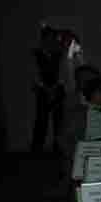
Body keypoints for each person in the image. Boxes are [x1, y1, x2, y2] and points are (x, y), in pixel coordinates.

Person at [31, 26, 65, 154]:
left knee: (59, 121)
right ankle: (37, 149)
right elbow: (34, 75)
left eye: (53, 39)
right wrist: (46, 88)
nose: (51, 41)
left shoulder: (59, 55)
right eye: (48, 38)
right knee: (41, 121)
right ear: (43, 39)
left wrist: (55, 87)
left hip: (57, 90)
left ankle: (59, 147)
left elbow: (62, 74)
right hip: (42, 92)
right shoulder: (36, 55)